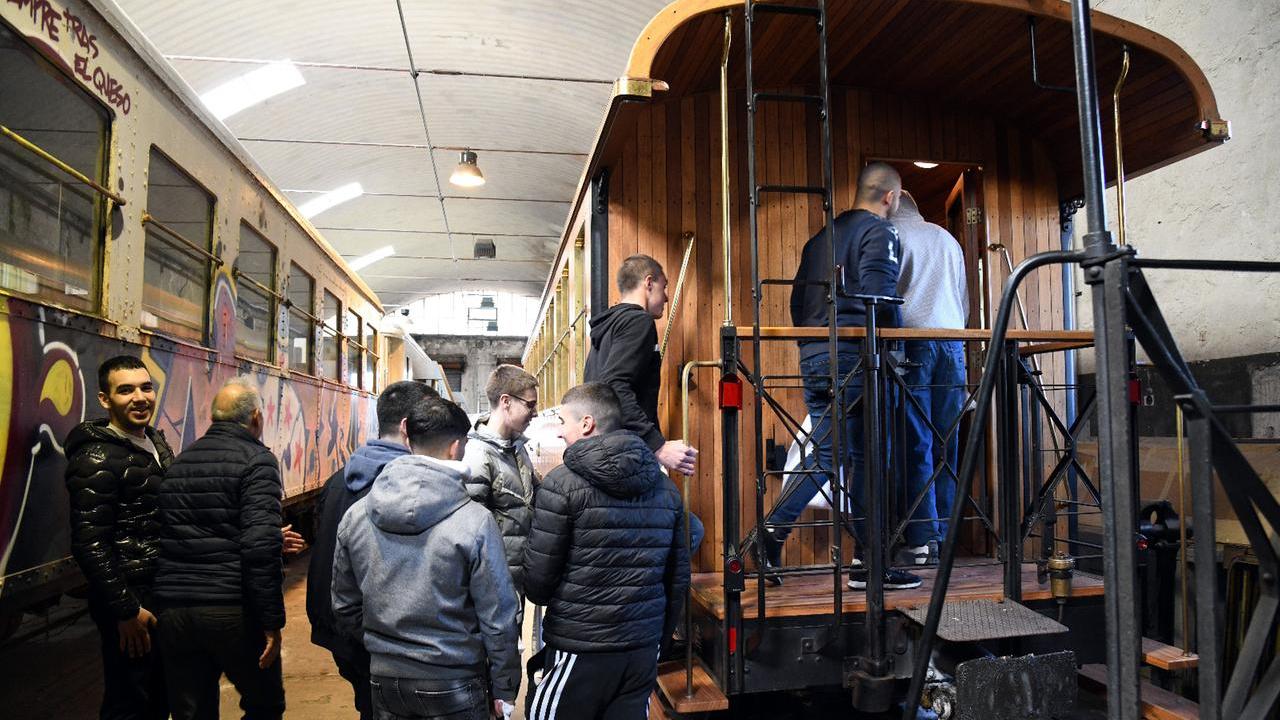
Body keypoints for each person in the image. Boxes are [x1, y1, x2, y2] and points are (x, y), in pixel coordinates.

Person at [763, 162, 922, 591]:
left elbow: (798, 304)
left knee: (827, 455)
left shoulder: (820, 239)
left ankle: (772, 538)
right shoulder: (880, 232)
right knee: (870, 460)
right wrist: (899, 351)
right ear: (889, 197)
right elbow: (879, 298)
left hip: (815, 358)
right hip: (856, 360)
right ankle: (869, 564)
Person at [332, 395, 520, 720]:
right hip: (455, 679)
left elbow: (344, 606)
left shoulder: (357, 515)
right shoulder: (475, 521)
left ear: (406, 436)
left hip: (385, 681)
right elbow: (498, 617)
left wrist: (384, 648)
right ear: (456, 447)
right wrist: (504, 688)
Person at [522, 382, 690, 720]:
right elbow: (677, 579)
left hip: (579, 647)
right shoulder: (667, 491)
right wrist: (657, 640)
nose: (559, 433)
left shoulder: (561, 485)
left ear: (586, 424)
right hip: (641, 648)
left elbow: (538, 585)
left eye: (563, 422)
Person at [153, 377, 286, 720]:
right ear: (256, 417)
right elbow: (259, 547)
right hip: (231, 610)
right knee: (265, 705)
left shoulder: (180, 462)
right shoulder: (257, 461)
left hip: (175, 612)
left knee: (192, 711)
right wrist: (271, 621)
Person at [306, 380, 437, 719]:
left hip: (341, 632)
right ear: (409, 427)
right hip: (379, 639)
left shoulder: (339, 479)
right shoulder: (402, 486)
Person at [65, 355, 174, 720]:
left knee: (159, 694)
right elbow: (89, 542)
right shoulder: (96, 457)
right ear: (105, 399)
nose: (139, 397)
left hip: (158, 591)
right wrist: (125, 610)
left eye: (145, 387)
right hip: (131, 599)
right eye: (125, 390)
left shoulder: (155, 443)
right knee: (129, 700)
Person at [583, 253, 703, 552]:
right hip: (624, 454)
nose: (665, 297)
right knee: (689, 532)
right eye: (664, 287)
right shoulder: (638, 322)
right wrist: (658, 446)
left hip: (602, 451)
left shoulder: (608, 327)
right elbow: (615, 384)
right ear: (648, 283)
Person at [892, 189, 969, 565]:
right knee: (947, 444)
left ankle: (923, 540)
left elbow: (886, 301)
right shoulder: (948, 238)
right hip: (954, 345)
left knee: (916, 442)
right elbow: (964, 300)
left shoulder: (891, 237)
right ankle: (948, 534)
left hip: (913, 345)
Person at [463, 365, 541, 609]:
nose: (535, 412)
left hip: (513, 582)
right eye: (530, 404)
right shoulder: (478, 457)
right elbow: (471, 535)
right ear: (506, 401)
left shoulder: (515, 448)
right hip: (492, 587)